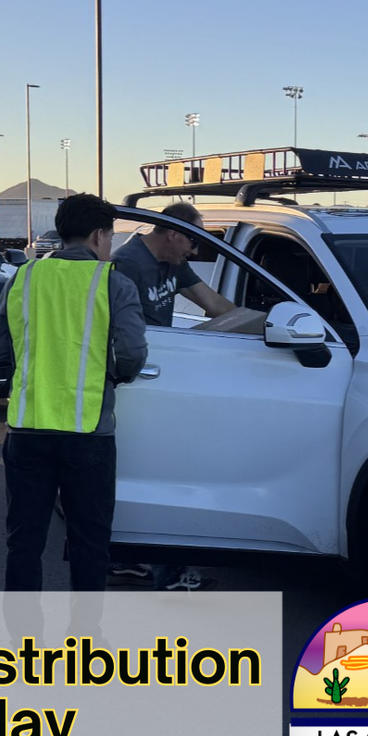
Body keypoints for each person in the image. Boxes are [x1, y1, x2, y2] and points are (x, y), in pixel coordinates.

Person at [0, 193, 147, 625]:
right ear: (99, 234)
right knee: (90, 543)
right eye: (110, 235)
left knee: (23, 543)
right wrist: (111, 377)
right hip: (89, 434)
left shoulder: (24, 276)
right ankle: (84, 642)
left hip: (26, 430)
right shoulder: (114, 282)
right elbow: (132, 353)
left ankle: (22, 646)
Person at [108, 202, 233, 592]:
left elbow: (215, 306)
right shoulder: (126, 264)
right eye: (191, 241)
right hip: (136, 375)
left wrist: (262, 329)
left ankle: (129, 562)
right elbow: (117, 331)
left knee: (153, 467)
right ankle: (164, 571)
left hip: (160, 373)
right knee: (158, 471)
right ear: (173, 233)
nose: (194, 251)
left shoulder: (173, 264)